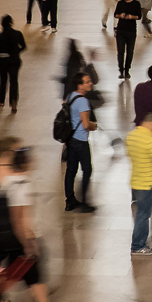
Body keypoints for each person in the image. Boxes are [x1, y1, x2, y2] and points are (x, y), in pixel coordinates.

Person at [0, 139, 72, 302]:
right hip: (13, 235)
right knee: (24, 273)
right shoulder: (14, 178)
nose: (23, 153)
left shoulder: (0, 172)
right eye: (20, 150)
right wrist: (28, 240)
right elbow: (17, 216)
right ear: (8, 153)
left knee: (22, 274)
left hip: (4, 234)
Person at [126, 112, 152, 257]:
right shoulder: (149, 139)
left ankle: (138, 244)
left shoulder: (131, 136)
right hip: (147, 183)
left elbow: (130, 154)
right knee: (143, 216)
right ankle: (138, 246)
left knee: (140, 214)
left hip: (135, 182)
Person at [64, 71, 98, 213]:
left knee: (71, 171)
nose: (90, 83)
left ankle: (70, 200)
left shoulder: (70, 96)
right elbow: (85, 124)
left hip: (71, 140)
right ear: (80, 85)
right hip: (81, 141)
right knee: (87, 170)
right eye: (87, 81)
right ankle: (84, 201)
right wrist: (93, 125)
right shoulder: (83, 101)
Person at [0, 15, 25, 112]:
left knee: (3, 80)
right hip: (14, 61)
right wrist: (16, 52)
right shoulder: (17, 34)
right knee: (14, 81)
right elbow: (24, 46)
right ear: (11, 23)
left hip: (3, 61)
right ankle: (13, 101)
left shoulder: (0, 36)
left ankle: (1, 101)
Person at [114, 0, 142, 80]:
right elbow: (115, 14)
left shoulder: (136, 4)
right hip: (121, 30)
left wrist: (131, 17)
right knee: (120, 52)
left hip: (131, 31)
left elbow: (139, 16)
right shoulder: (120, 3)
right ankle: (121, 70)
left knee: (130, 52)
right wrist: (120, 16)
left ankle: (127, 70)